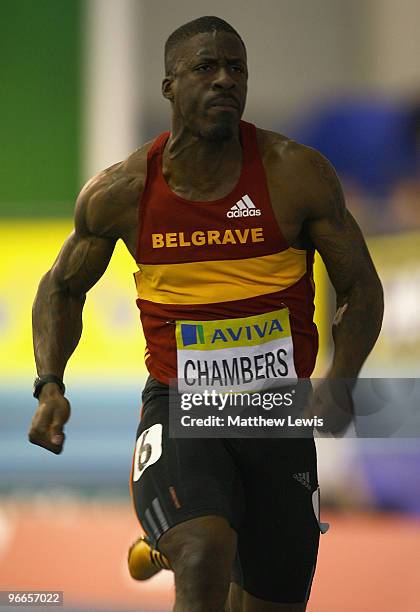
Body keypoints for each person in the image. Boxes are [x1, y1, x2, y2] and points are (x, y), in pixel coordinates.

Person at [29, 16, 383, 612]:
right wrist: (49, 384)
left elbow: (360, 288)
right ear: (169, 86)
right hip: (179, 404)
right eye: (205, 68)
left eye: (236, 68)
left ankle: (171, 536)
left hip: (276, 413)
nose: (225, 80)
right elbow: (62, 288)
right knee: (203, 552)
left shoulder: (294, 174)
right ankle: (180, 534)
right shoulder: (121, 192)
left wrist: (342, 380)